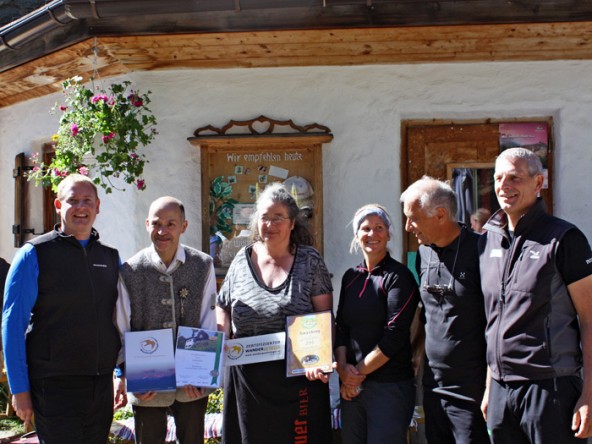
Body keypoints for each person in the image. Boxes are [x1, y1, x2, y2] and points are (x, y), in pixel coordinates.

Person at [479, 147, 592, 443]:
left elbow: (590, 319)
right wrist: (492, 386)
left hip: (550, 388)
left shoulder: (564, 239)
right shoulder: (489, 240)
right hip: (502, 392)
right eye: (499, 177)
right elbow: (495, 320)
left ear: (538, 183)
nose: (504, 186)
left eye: (514, 178)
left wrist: (589, 394)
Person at [2, 174, 121, 443]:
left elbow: (118, 319)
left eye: (87, 200)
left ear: (98, 206)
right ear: (58, 205)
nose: (81, 207)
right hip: (54, 385)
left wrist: (119, 372)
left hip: (100, 385)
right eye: (73, 200)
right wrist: (20, 389)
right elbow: (12, 324)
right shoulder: (34, 254)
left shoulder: (110, 257)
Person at [216, 182, 333, 444]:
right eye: (264, 218)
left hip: (298, 377)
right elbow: (222, 305)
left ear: (293, 223)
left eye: (278, 218)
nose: (270, 225)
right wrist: (222, 338)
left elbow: (324, 315)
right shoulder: (240, 260)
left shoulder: (310, 261)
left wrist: (320, 360)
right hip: (247, 379)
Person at [115, 196, 217, 444]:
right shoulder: (130, 270)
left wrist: (201, 373)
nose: (162, 231)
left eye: (171, 224)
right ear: (147, 224)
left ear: (184, 226)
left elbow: (208, 318)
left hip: (191, 381)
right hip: (147, 381)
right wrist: (128, 372)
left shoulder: (202, 264)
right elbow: (121, 324)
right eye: (157, 223)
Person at [400, 178, 488, 444]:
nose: (407, 227)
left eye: (412, 218)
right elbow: (427, 314)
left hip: (473, 387)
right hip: (433, 384)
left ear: (440, 215)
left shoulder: (481, 250)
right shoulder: (423, 253)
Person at [335, 204, 419, 444]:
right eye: (366, 228)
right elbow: (341, 327)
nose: (372, 234)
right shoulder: (351, 277)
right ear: (357, 235)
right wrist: (343, 370)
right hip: (352, 389)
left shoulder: (399, 277)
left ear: (389, 233)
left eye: (379, 228)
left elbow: (394, 336)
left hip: (389, 388)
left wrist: (355, 374)